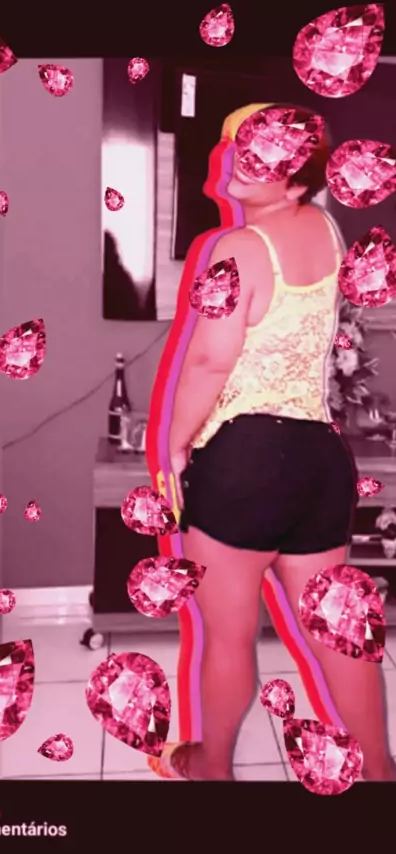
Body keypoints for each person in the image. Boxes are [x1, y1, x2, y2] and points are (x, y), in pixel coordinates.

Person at [160, 103, 395, 782]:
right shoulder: (325, 229)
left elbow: (211, 359)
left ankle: (211, 768)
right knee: (339, 636)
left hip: (245, 460)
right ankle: (382, 777)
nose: (240, 158)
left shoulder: (234, 248)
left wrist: (174, 444)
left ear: (296, 178)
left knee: (228, 638)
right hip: (320, 461)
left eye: (265, 156)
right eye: (243, 146)